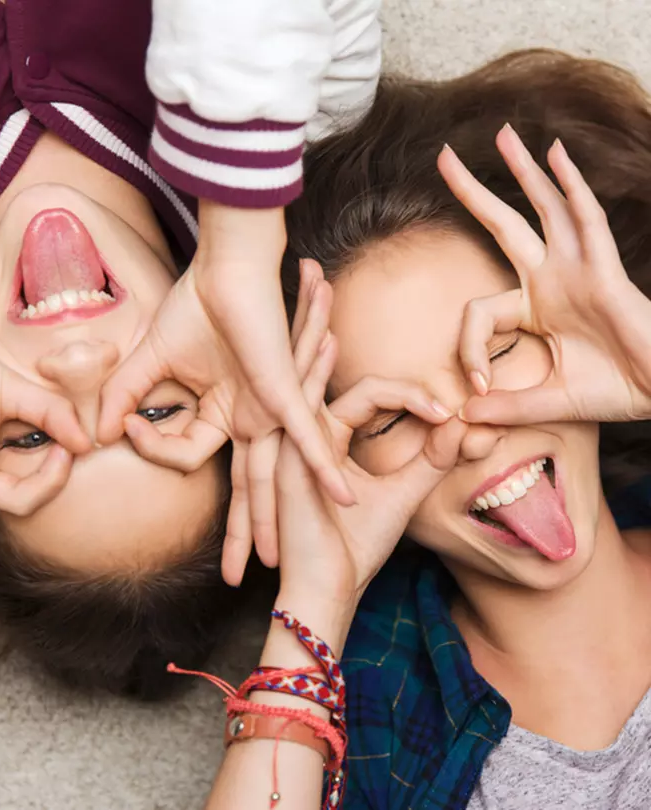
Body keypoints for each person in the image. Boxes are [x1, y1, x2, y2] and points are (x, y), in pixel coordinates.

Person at [194, 50, 651, 809]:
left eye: (498, 348)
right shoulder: (382, 711)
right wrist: (314, 600)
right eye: (395, 417)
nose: (470, 431)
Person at [0, 0, 381, 698]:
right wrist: (238, 243)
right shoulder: (299, 99)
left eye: (26, 435)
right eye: (159, 409)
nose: (79, 364)